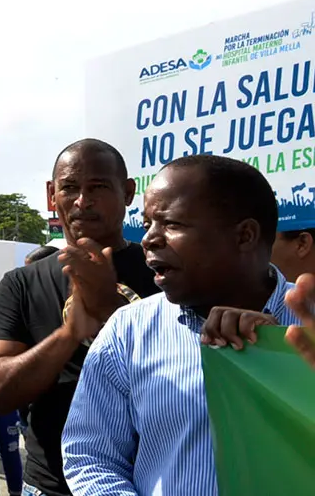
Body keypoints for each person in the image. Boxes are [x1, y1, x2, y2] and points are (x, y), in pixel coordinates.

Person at [62, 154, 302, 495]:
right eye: (147, 224)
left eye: (171, 224)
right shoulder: (128, 332)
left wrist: (281, 357)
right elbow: (91, 457)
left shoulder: (307, 323)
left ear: (245, 235)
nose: (149, 239)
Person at [0, 139, 159, 496]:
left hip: (154, 483)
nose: (82, 201)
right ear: (52, 194)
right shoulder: (21, 283)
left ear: (127, 193)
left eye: (98, 187)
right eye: (70, 188)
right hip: (49, 487)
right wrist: (70, 333)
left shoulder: (164, 273)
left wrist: (109, 310)